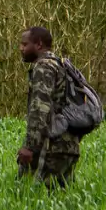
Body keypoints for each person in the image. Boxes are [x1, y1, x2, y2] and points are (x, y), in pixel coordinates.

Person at [17, 26, 79, 188]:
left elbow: (40, 109)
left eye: (24, 44)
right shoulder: (61, 65)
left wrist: (30, 147)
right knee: (63, 202)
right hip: (68, 145)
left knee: (37, 200)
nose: (21, 48)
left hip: (51, 146)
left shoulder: (44, 67)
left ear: (38, 44)